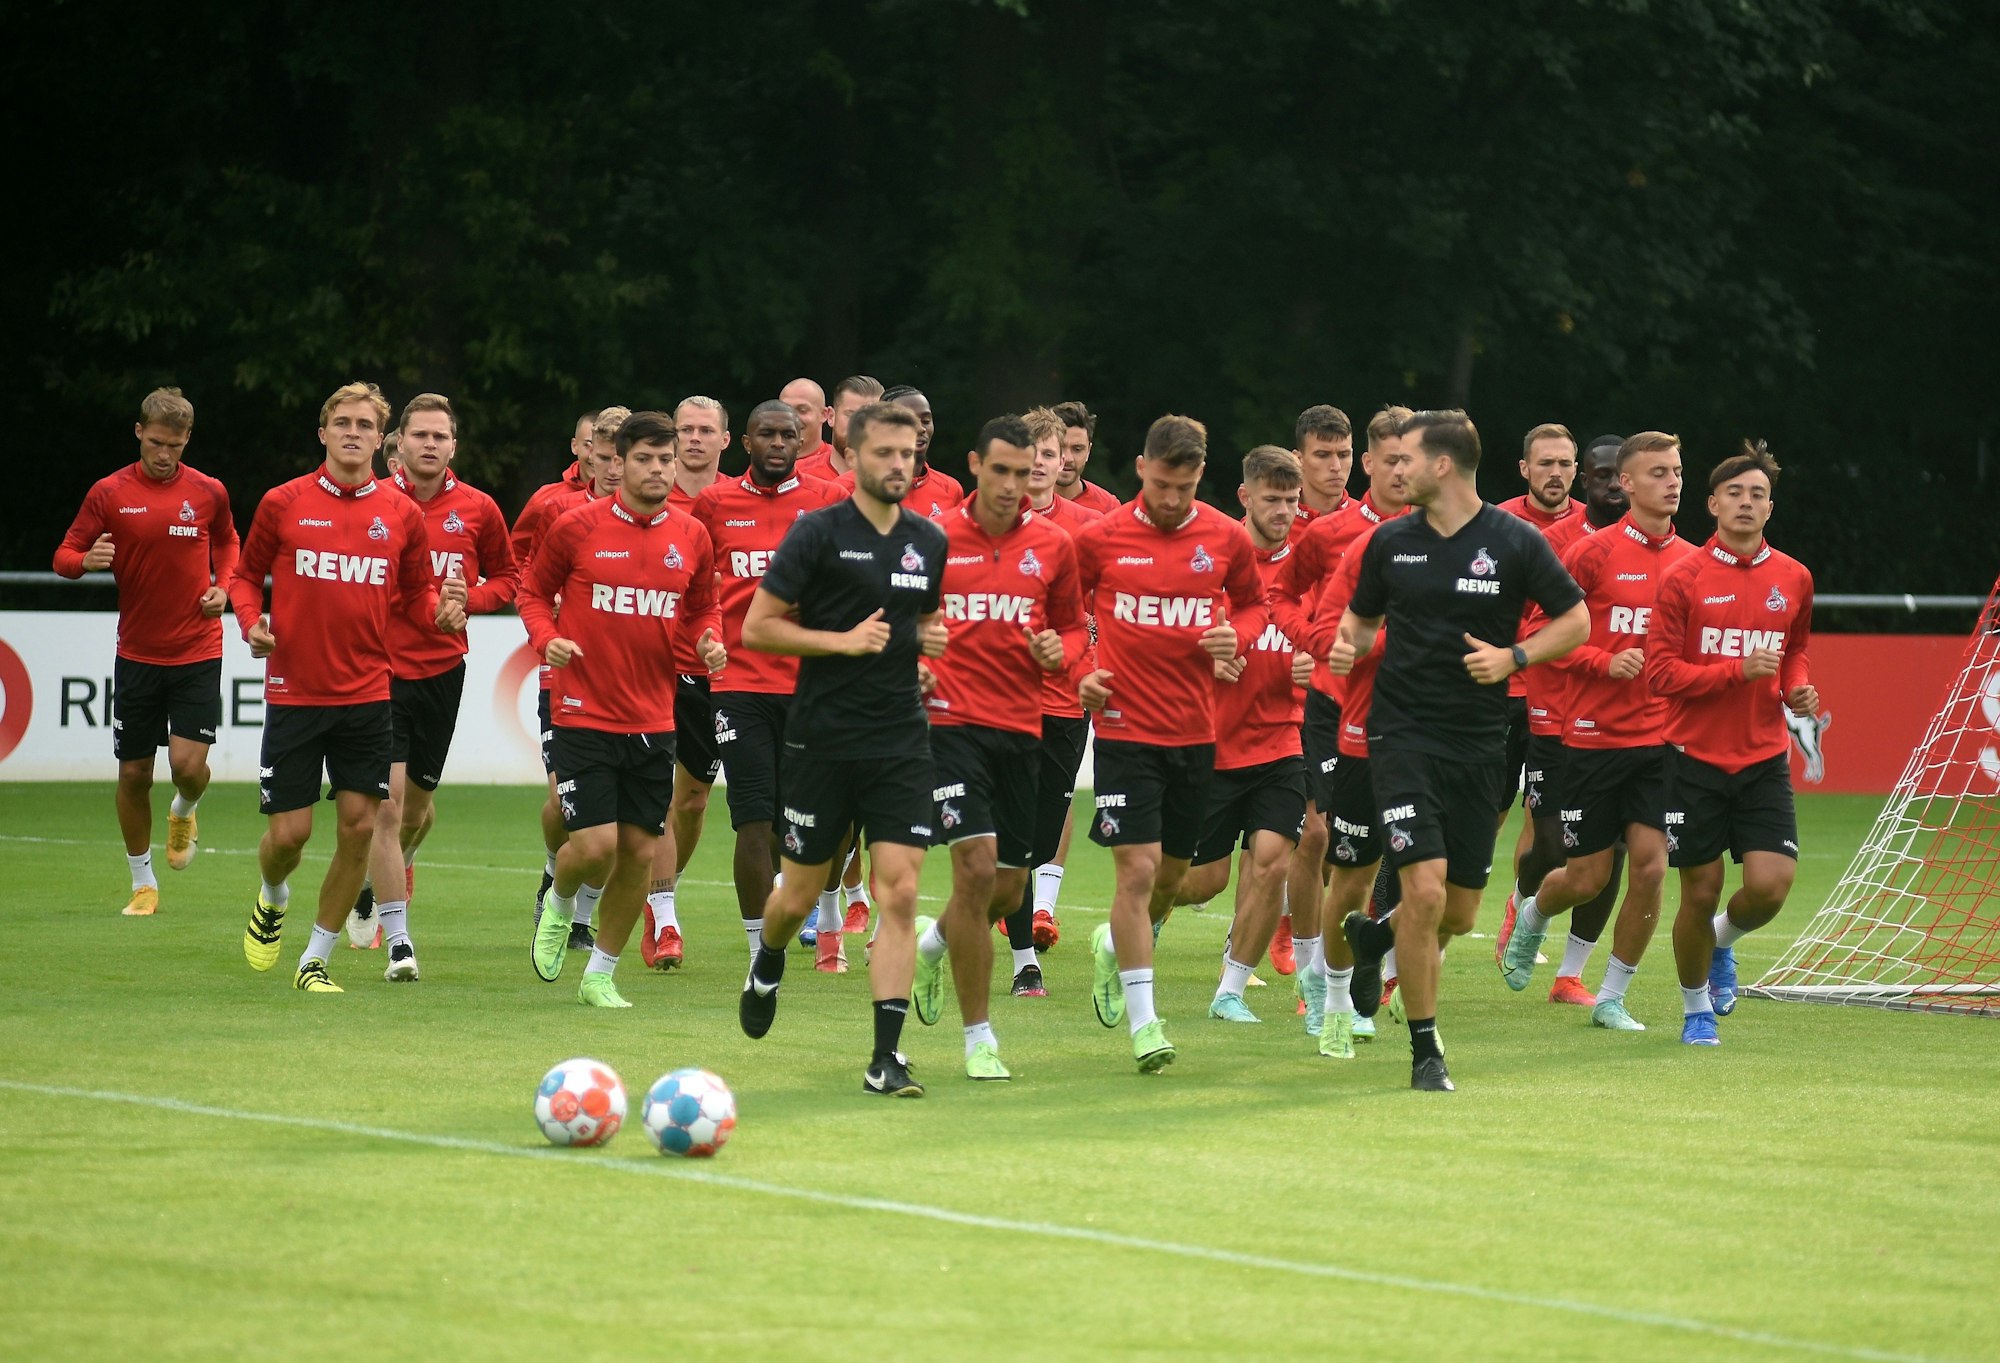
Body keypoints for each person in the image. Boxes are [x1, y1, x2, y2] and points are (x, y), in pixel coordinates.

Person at [1331, 409, 1587, 1090]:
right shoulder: (1390, 543)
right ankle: (1425, 1050)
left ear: (1441, 465)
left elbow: (1577, 618)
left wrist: (1515, 656)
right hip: (1402, 735)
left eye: (1405, 458)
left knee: (1461, 910)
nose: (1396, 469)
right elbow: (1359, 618)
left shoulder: (1513, 541)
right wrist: (1345, 643)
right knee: (1422, 887)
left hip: (1480, 744)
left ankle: (1378, 937)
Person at [735, 401, 950, 1097]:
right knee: (798, 891)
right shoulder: (817, 533)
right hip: (821, 739)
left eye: (908, 453)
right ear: (852, 455)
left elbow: (927, 619)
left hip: (900, 740)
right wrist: (841, 642)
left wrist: (929, 650)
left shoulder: (928, 539)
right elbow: (758, 628)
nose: (898, 464)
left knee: (902, 890)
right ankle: (766, 960)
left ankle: (886, 1057)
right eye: (884, 452)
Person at [230, 382, 468, 992]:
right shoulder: (284, 502)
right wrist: (250, 620)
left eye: (365, 424)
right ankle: (273, 894)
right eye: (342, 422)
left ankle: (316, 958)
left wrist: (440, 612)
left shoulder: (401, 515)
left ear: (378, 437)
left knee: (362, 826)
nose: (353, 432)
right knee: (290, 836)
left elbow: (415, 594)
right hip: (295, 692)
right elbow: (242, 575)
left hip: (368, 693)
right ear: (323, 432)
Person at [1073, 414, 1269, 1072]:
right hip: (1125, 731)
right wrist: (1081, 671)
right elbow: (1059, 610)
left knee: (1176, 879)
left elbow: (1253, 604)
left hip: (1195, 732)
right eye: (1161, 484)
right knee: (1135, 872)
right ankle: (1145, 1023)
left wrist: (1234, 636)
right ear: (1140, 468)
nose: (1171, 499)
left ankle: (1114, 943)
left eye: (1183, 487)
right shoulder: (1100, 538)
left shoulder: (1224, 536)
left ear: (1199, 477)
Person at [519, 410, 726, 1006]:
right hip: (582, 708)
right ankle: (558, 904)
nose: (658, 469)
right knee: (594, 847)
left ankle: (600, 974)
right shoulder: (577, 528)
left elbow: (703, 606)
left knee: (639, 852)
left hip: (654, 717)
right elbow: (532, 591)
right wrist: (544, 638)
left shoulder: (692, 535)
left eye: (666, 459)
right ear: (619, 463)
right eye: (645, 459)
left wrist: (710, 639)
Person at [1500, 433, 1697, 1031]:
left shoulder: (1694, 562)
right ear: (1628, 484)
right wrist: (1602, 662)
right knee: (1585, 874)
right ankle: (1532, 914)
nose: (1672, 482)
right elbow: (1540, 634)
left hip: (1661, 741)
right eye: (1658, 472)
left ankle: (1611, 995)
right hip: (1589, 736)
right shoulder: (1591, 554)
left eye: (1678, 471)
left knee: (1651, 866)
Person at [909, 415, 1085, 1078]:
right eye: (1002, 470)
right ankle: (979, 1037)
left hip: (1022, 728)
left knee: (1010, 891)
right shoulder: (930, 540)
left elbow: (1070, 630)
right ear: (976, 464)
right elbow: (898, 617)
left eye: (1023, 471)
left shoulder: (1055, 547)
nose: (1013, 484)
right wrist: (916, 648)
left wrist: (1057, 650)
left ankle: (933, 941)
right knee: (976, 870)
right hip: (950, 726)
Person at [1647, 441, 1816, 1045]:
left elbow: (1793, 652)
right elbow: (1660, 674)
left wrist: (1796, 688)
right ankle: (1695, 1010)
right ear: (1713, 503)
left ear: (1771, 508)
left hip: (1764, 759)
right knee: (1700, 889)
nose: (1746, 503)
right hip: (1691, 761)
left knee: (1770, 888)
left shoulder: (1794, 577)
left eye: (1758, 495)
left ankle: (1722, 943)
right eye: (1735, 494)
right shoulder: (1682, 578)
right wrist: (1734, 672)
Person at [54, 387, 239, 916]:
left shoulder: (208, 492)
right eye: (156, 443)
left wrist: (223, 586)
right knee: (134, 774)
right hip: (136, 654)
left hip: (198, 649)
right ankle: (143, 883)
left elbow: (229, 542)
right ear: (139, 433)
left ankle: (186, 808)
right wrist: (85, 561)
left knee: (186, 766)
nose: (164, 455)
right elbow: (63, 555)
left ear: (187, 442)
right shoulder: (108, 492)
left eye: (175, 446)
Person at [345, 394, 519, 949]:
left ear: (453, 447)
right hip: (379, 671)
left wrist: (471, 602)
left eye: (439, 437)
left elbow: (509, 578)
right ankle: (392, 929)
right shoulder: (373, 504)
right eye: (419, 435)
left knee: (417, 809)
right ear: (397, 443)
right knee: (387, 807)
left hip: (443, 670)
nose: (429, 445)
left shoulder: (479, 508)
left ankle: (396, 866)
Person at [684, 401, 843, 971]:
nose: (779, 443)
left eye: (789, 435)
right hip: (739, 683)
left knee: (799, 821)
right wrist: (705, 635)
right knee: (752, 819)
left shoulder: (828, 501)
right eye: (767, 434)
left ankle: (820, 918)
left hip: (810, 684)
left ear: (803, 441)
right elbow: (693, 586)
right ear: (746, 442)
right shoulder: (713, 503)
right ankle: (761, 951)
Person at [1271, 406, 1409, 1009]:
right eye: (1323, 455)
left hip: (1409, 714)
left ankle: (1377, 959)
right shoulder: (1328, 534)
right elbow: (1278, 596)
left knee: (1410, 852)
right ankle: (1311, 967)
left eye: (1342, 455)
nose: (1335, 466)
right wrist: (1317, 647)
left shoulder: (1445, 534)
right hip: (1332, 706)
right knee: (1319, 838)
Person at [1177, 447, 1308, 1025]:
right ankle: (1141, 914)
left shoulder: (1311, 566)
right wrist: (1202, 657)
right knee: (1201, 882)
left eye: (1291, 500)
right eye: (1272, 499)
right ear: (1245, 496)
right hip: (1211, 744)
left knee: (1273, 861)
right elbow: (1163, 632)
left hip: (1283, 742)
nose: (1283, 510)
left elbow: (1333, 637)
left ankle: (1229, 989)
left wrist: (1319, 665)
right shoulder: (1208, 560)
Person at [1498, 434, 1631, 1004]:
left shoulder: (1670, 552)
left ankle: (1571, 975)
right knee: (1551, 847)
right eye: (1599, 475)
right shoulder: (1549, 542)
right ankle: (1524, 905)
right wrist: (1599, 661)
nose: (1610, 484)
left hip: (1626, 724)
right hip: (1550, 710)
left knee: (1618, 848)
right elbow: (1525, 628)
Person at [994, 408, 1104, 988]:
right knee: (1011, 836)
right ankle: (1024, 963)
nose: (1039, 463)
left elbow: (1109, 602)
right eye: (1028, 452)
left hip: (1066, 703)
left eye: (1049, 453)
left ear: (1065, 461)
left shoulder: (1089, 527)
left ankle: (955, 926)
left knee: (1038, 839)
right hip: (999, 706)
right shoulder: (982, 523)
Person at [510, 407, 624, 939]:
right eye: (606, 457)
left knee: (624, 819)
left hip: (636, 684)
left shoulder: (662, 517)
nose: (616, 469)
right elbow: (519, 572)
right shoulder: (555, 508)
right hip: (567, 680)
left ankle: (580, 919)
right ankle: (554, 876)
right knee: (564, 802)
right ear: (587, 454)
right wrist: (550, 621)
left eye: (625, 458)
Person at [650, 395, 733, 951]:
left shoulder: (737, 498)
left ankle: (663, 889)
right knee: (660, 792)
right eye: (687, 429)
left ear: (727, 439)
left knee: (696, 799)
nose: (696, 438)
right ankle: (664, 913)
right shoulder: (653, 497)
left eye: (708, 429)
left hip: (732, 671)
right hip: (661, 666)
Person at [832, 385, 964, 519]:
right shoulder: (844, 489)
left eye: (926, 421)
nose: (921, 429)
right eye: (908, 421)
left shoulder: (951, 489)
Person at [798, 375, 885, 485]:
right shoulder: (798, 476)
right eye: (852, 415)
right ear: (831, 417)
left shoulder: (894, 480)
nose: (862, 425)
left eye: (873, 417)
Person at [1054, 400, 1122, 514]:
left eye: (1077, 449)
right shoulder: (1023, 503)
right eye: (1060, 447)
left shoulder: (1108, 507)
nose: (1068, 458)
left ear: (1088, 451)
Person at [781, 377, 832, 468]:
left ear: (824, 414)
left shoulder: (838, 463)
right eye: (786, 410)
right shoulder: (766, 465)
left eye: (802, 410)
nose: (792, 418)